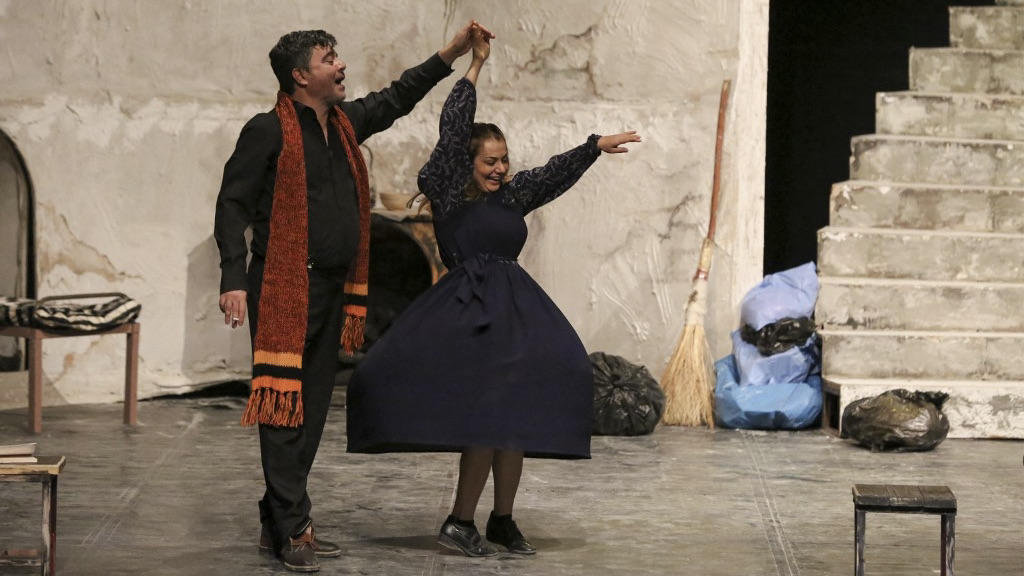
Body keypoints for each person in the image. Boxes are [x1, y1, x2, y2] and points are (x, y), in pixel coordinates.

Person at [345, 29, 641, 557]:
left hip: (514, 310)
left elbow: (552, 175)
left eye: (504, 159)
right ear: (467, 162)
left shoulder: (513, 194)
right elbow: (455, 123)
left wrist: (593, 146)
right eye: (490, 161)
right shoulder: (447, 187)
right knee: (486, 416)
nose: (500, 168)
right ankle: (460, 520)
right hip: (468, 311)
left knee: (516, 415)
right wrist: (475, 66)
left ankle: (502, 518)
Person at [213, 21, 493, 573]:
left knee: (312, 411)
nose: (340, 65)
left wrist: (454, 53)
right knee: (283, 411)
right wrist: (231, 278)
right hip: (283, 289)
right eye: (328, 58)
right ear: (300, 75)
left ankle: (279, 521)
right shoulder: (267, 131)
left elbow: (399, 95)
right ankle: (294, 527)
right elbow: (232, 205)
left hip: (332, 289)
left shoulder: (345, 124)